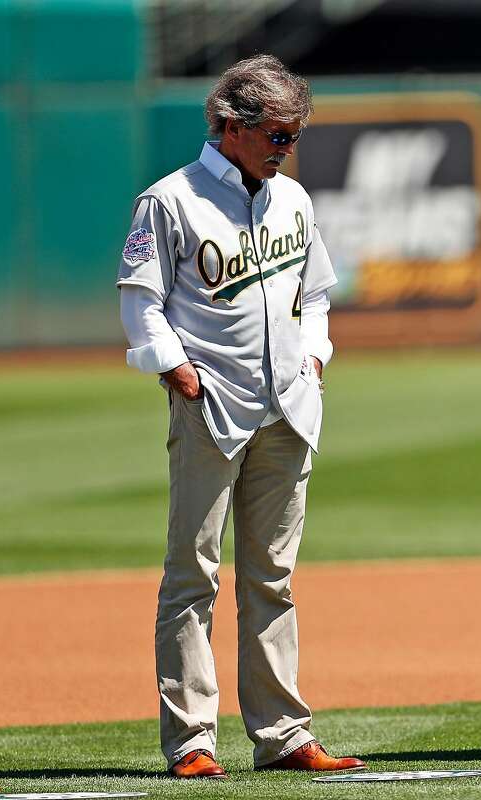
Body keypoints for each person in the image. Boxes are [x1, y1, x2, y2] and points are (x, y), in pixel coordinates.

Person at [116, 54, 363, 779]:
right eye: (276, 135)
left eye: (292, 136)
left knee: (273, 577)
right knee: (193, 575)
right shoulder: (170, 200)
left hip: (288, 406)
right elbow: (140, 297)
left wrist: (315, 354)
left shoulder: (292, 200)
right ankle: (192, 741)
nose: (286, 148)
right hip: (211, 405)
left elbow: (316, 292)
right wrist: (173, 365)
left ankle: (284, 734)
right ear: (230, 126)